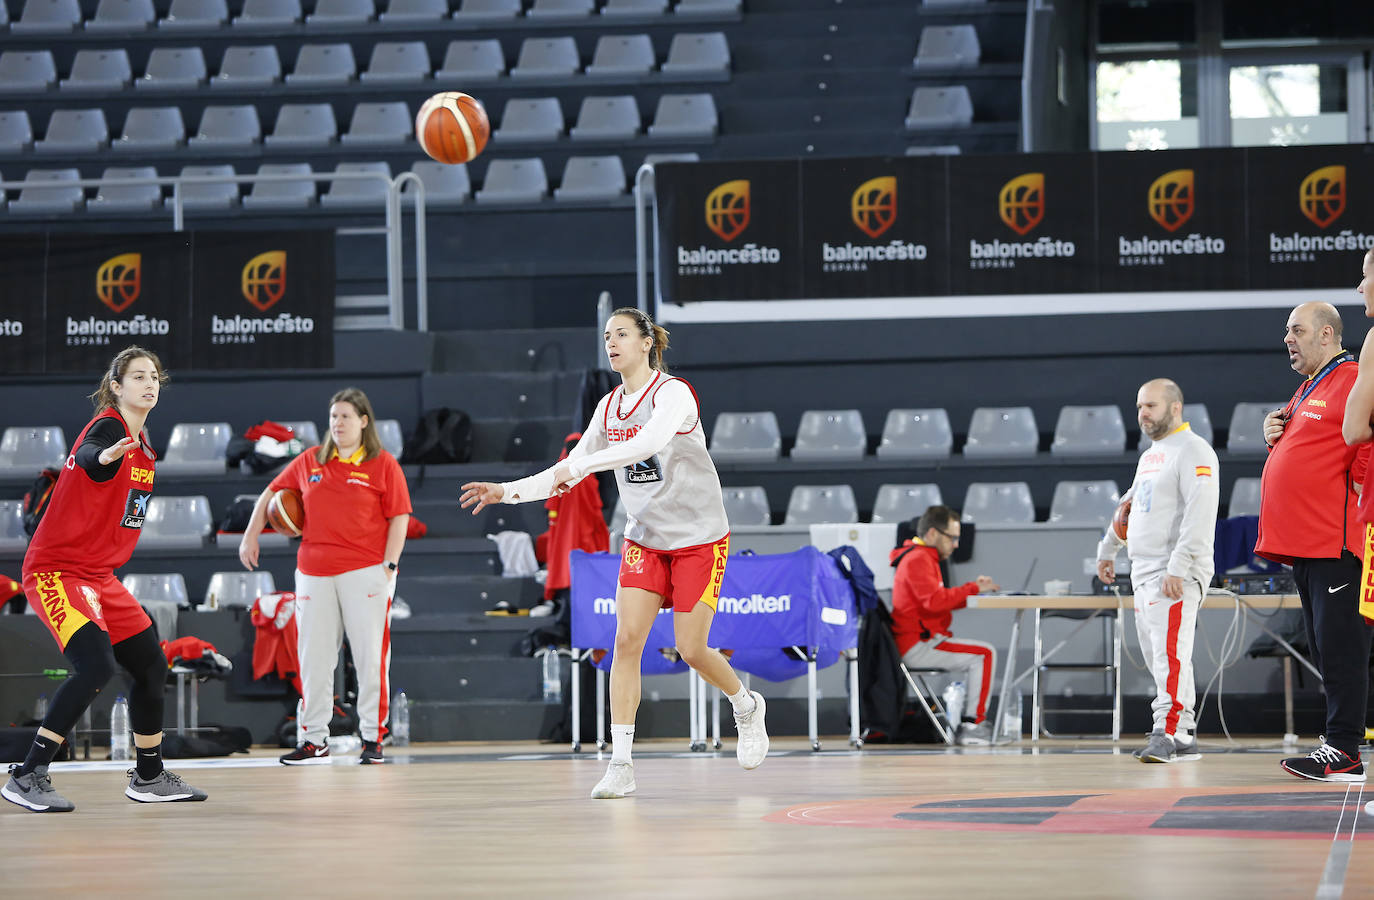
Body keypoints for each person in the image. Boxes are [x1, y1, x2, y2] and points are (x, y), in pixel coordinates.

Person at [460, 307, 769, 799]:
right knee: (625, 642)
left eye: (622, 334)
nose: (612, 342)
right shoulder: (607, 408)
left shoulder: (673, 394)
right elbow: (573, 465)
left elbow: (641, 445)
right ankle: (621, 763)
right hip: (645, 538)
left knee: (691, 649)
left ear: (647, 342)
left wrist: (577, 467)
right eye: (607, 335)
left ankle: (746, 704)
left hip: (698, 539)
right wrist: (507, 490)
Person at [3, 345, 207, 813]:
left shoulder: (146, 446)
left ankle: (149, 776)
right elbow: (93, 457)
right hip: (58, 570)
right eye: (137, 377)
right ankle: (27, 774)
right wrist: (105, 456)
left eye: (154, 376)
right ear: (116, 388)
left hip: (99, 576)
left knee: (151, 665)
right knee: (94, 667)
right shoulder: (106, 429)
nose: (149, 383)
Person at [239, 387, 411, 766]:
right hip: (313, 573)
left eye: (346, 416)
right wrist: (251, 535)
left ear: (364, 421)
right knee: (313, 660)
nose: (338, 423)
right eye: (334, 416)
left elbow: (400, 516)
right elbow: (270, 493)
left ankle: (372, 738)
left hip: (366, 572)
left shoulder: (383, 464)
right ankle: (314, 739)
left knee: (370, 660)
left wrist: (390, 565)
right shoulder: (310, 461)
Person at [1257, 300, 1372, 782]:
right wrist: (1274, 432)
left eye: (1297, 329)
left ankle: (1344, 748)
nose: (1288, 337)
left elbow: (1363, 445)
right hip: (1309, 543)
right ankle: (1340, 742)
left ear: (1327, 334)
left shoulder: (1353, 376)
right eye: (1286, 330)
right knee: (1330, 647)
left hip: (1338, 541)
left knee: (1342, 647)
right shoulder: (1311, 385)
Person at [1096, 379, 1218, 763]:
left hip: (1173, 572)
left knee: (1170, 655)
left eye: (1150, 406)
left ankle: (1166, 732)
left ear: (1176, 407)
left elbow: (1200, 515)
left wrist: (1178, 567)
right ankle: (1181, 735)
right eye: (1138, 407)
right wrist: (1108, 549)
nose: (1142, 414)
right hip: (1143, 570)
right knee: (1160, 657)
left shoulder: (1194, 449)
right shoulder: (1152, 454)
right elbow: (1130, 506)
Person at [889, 505, 1000, 746]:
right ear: (932, 534)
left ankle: (972, 724)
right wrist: (973, 589)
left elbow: (934, 601)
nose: (956, 544)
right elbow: (934, 602)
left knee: (982, 653)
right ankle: (973, 726)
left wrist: (971, 590)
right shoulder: (918, 558)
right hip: (918, 644)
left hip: (920, 640)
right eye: (952, 537)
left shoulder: (919, 556)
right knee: (985, 654)